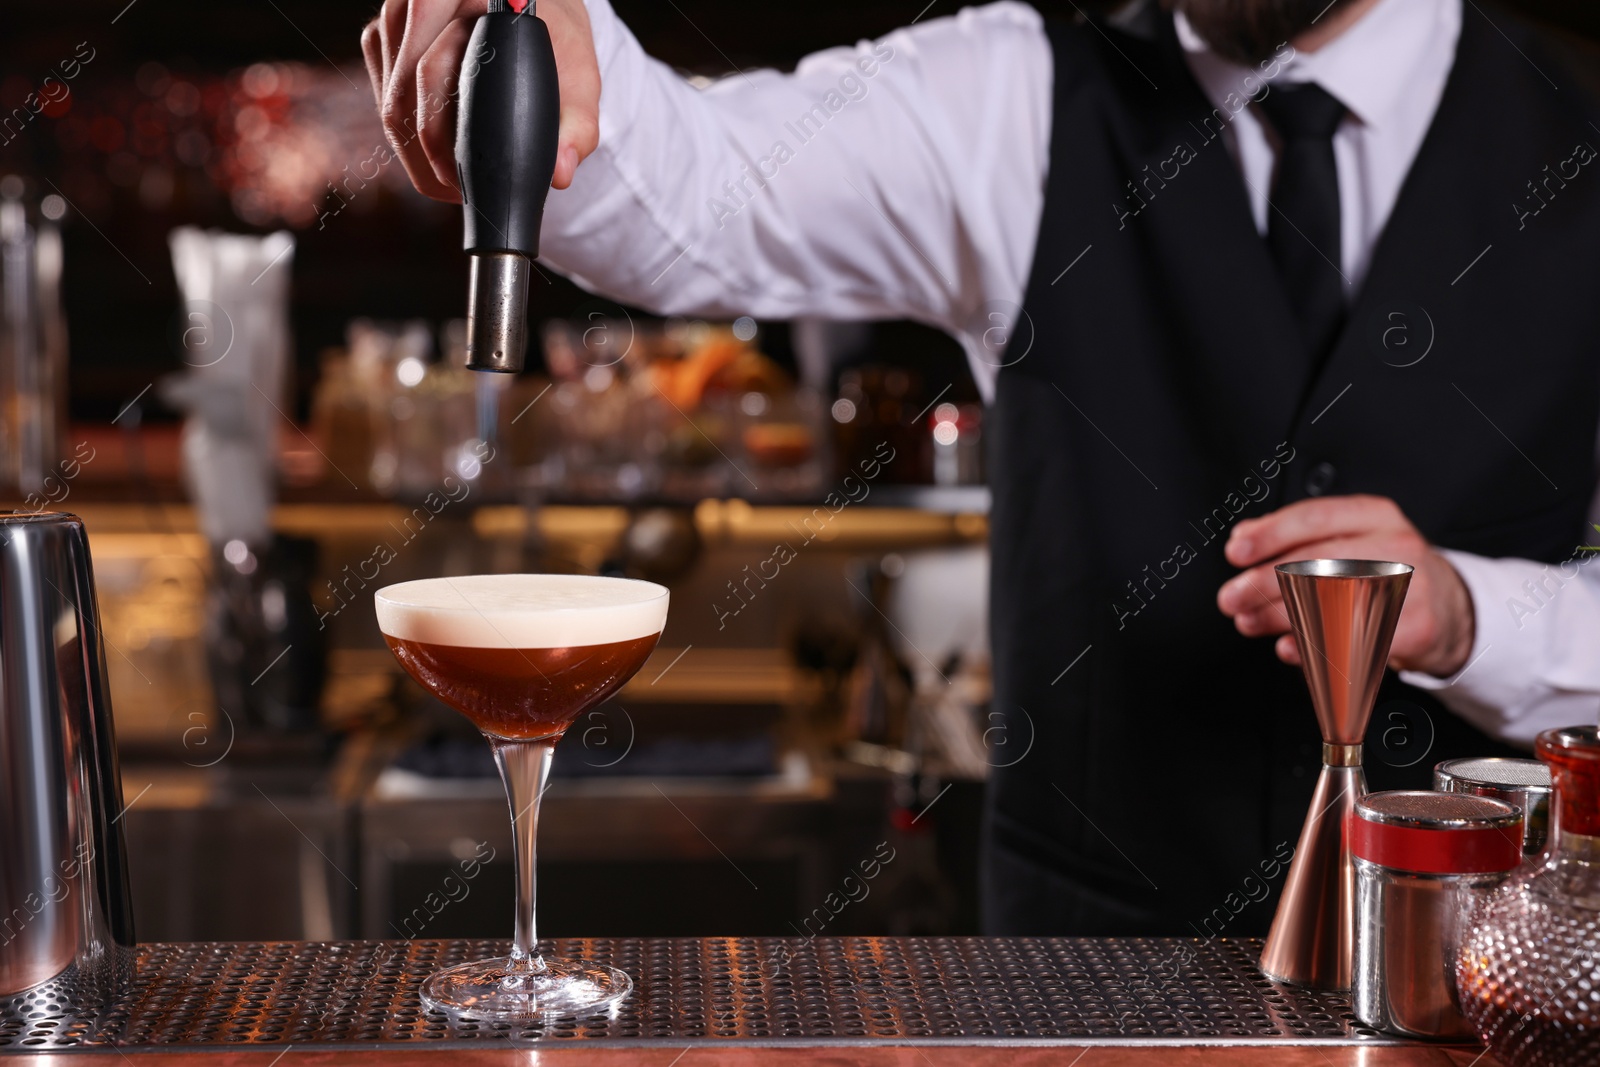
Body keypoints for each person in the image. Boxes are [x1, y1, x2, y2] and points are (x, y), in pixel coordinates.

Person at [363, 0, 1600, 934]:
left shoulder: (1575, 129)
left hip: (1490, 977)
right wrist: (530, 36)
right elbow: (678, 194)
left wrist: (1473, 615)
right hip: (1084, 981)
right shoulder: (1016, 98)